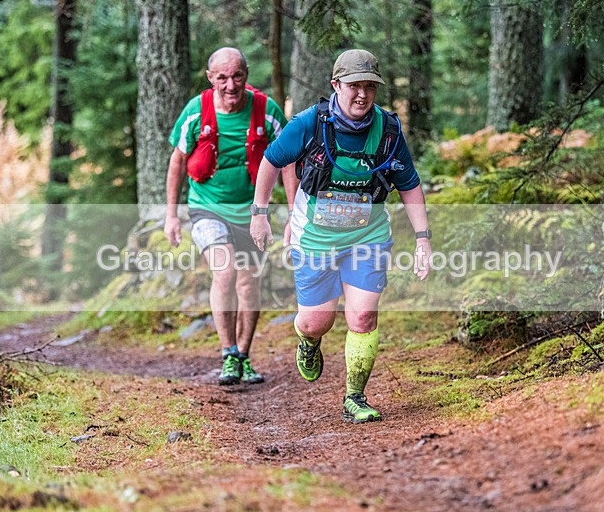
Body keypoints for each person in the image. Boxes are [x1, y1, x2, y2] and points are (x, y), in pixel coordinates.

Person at [250, 49, 432, 423]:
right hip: (314, 237)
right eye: (353, 86)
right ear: (336, 85)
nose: (362, 95)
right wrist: (260, 214)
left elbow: (410, 186)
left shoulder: (390, 131)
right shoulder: (308, 124)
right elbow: (271, 161)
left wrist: (423, 239)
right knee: (318, 321)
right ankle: (309, 340)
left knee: (363, 316)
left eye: (369, 86)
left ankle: (355, 397)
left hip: (367, 236)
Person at [164, 47, 288, 385]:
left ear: (247, 75)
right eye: (222, 78)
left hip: (253, 210)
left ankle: (244, 356)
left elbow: (289, 162)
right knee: (226, 271)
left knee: (250, 282)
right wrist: (171, 215)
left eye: (237, 76)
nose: (230, 85)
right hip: (207, 207)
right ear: (210, 78)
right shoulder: (196, 111)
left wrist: (295, 213)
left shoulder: (267, 111)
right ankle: (228, 354)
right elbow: (177, 162)